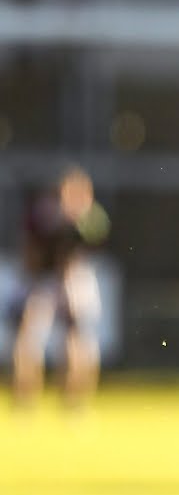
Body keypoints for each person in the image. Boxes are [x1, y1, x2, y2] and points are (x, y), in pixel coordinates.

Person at [9, 164, 109, 411]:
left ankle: (74, 400)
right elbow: (32, 249)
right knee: (28, 337)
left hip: (73, 277)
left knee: (78, 340)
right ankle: (25, 397)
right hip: (43, 278)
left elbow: (96, 238)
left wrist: (78, 219)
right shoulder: (45, 214)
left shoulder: (89, 217)